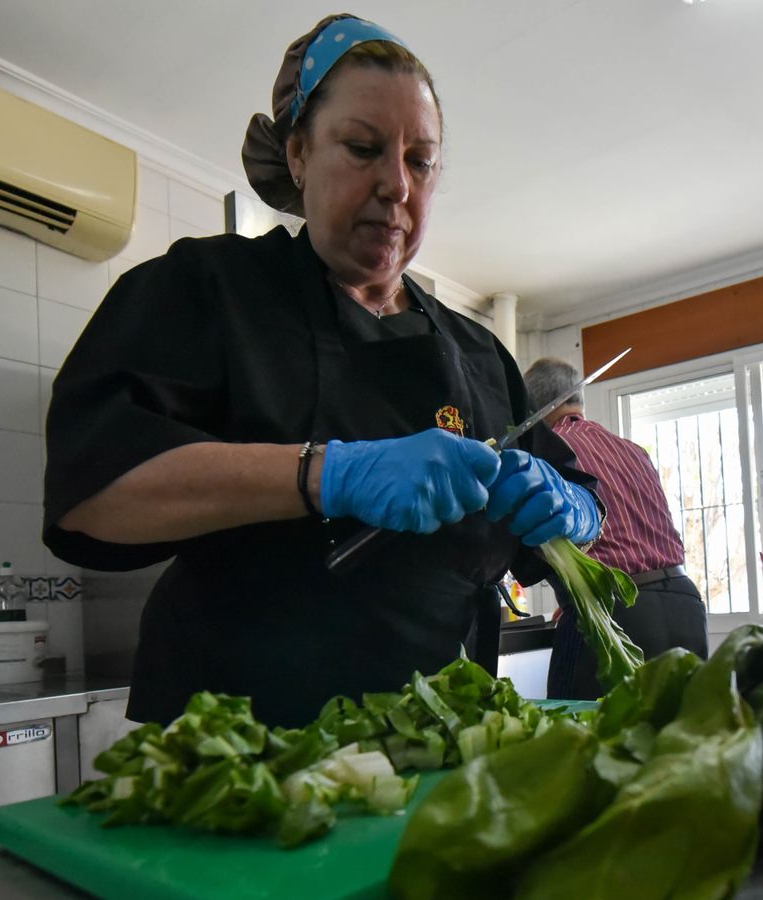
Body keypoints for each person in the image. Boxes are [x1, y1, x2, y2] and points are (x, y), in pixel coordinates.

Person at [42, 14, 603, 727]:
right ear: (299, 153)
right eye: (364, 148)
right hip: (238, 747)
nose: (395, 185)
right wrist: (328, 474)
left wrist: (572, 511)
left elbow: (566, 509)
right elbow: (93, 492)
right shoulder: (205, 291)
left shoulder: (478, 354)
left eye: (420, 161)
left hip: (434, 739)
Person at [522, 358, 709, 699]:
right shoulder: (633, 450)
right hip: (685, 604)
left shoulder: (549, 452)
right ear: (577, 400)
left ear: (530, 404)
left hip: (615, 612)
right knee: (678, 737)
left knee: (583, 740)